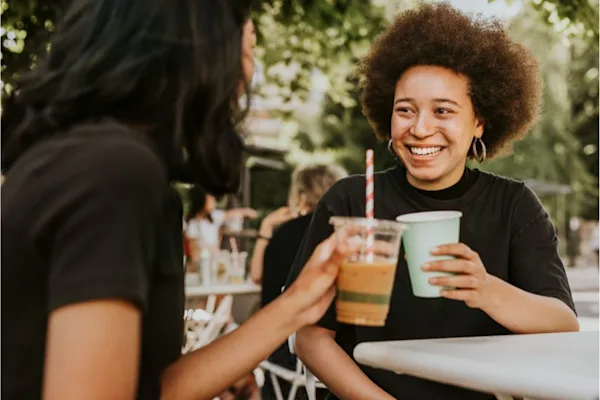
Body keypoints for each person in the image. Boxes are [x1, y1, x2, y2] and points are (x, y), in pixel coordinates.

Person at [0, 1, 353, 399]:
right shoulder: (115, 173)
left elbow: (151, 389)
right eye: (247, 52)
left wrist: (298, 303)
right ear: (197, 54)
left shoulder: (71, 158)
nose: (247, 77)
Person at [285, 4, 579, 400]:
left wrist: (485, 290)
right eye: (404, 110)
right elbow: (309, 336)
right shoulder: (351, 200)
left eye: (443, 111)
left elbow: (562, 323)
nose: (420, 129)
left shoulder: (514, 206)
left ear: (479, 121)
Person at [249, 163, 348, 399]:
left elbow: (257, 276)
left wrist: (266, 230)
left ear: (301, 194)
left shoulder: (283, 234)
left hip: (282, 359)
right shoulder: (346, 236)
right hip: (337, 362)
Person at [185, 185, 257, 260]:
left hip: (215, 259)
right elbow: (193, 252)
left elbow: (230, 214)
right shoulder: (193, 224)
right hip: (202, 261)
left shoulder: (214, 217)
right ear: (201, 200)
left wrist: (247, 211)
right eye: (210, 198)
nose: (214, 200)